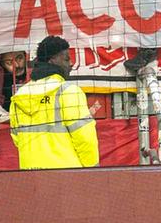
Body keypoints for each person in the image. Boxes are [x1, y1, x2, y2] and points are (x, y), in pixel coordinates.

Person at [9, 34, 99, 169]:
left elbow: (17, 138)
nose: (71, 64)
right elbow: (85, 138)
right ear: (52, 61)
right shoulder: (68, 91)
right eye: (66, 59)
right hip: (67, 176)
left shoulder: (20, 95)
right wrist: (92, 169)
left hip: (30, 175)